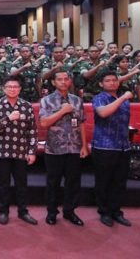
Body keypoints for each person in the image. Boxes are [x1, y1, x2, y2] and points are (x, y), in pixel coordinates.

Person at [0, 76, 38, 225]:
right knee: (3, 184)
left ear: (20, 89)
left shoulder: (27, 106)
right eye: (9, 87)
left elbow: (32, 131)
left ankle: (23, 212)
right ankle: (3, 212)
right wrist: (8, 118)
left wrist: (32, 151)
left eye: (15, 87)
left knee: (22, 184)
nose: (12, 89)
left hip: (22, 151)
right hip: (3, 151)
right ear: (4, 88)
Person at [40, 69, 88, 226]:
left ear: (70, 81)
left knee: (73, 182)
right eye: (59, 79)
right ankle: (52, 212)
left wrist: (84, 145)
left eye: (66, 79)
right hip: (54, 148)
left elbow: (81, 123)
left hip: (74, 147)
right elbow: (44, 123)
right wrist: (62, 111)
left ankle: (70, 211)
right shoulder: (46, 100)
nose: (63, 82)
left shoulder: (77, 100)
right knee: (53, 182)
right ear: (53, 82)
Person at [92, 71, 133, 227]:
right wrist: (123, 98)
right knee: (104, 181)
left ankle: (116, 211)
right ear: (101, 84)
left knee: (119, 182)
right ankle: (104, 212)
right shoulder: (100, 98)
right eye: (107, 81)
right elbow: (103, 113)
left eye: (114, 80)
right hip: (104, 146)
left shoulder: (123, 99)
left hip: (123, 146)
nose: (112, 83)